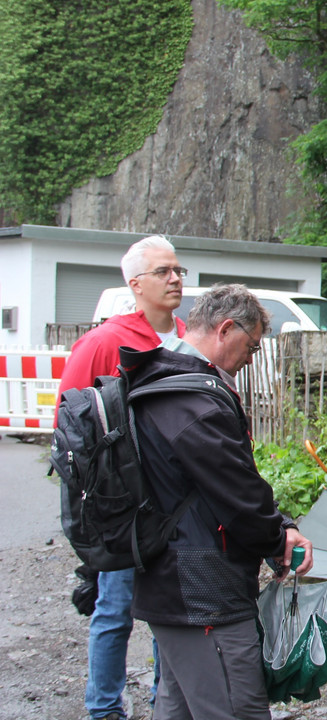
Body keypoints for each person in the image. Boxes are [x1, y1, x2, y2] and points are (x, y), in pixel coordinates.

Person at [127, 284, 314, 720]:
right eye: (250, 346)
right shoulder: (191, 399)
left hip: (171, 576)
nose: (251, 358)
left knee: (181, 705)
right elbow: (237, 491)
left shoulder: (159, 376)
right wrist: (279, 537)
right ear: (225, 329)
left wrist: (277, 525)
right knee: (236, 706)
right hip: (201, 585)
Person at [59, 235, 186, 720]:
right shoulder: (105, 341)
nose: (175, 279)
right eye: (163, 272)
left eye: (178, 270)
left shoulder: (185, 338)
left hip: (176, 503)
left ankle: (165, 703)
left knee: (169, 615)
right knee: (114, 611)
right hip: (122, 506)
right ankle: (105, 710)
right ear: (135, 284)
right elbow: (70, 427)